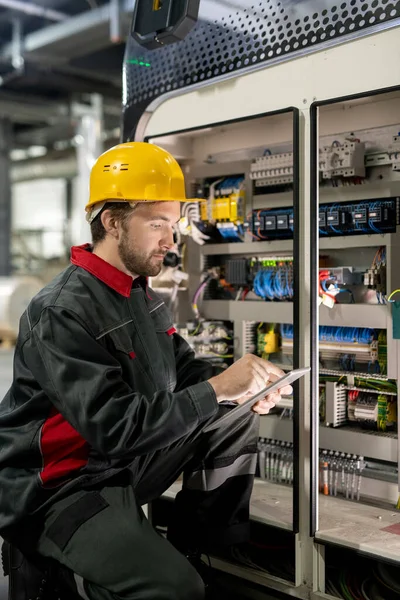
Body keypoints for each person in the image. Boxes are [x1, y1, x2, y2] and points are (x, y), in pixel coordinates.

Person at [0, 142, 292, 600]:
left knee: (234, 417)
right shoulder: (59, 310)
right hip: (62, 487)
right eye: (157, 224)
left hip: (120, 466)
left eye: (172, 226)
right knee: (173, 590)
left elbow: (186, 369)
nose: (169, 241)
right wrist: (218, 389)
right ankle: (70, 579)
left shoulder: (138, 294)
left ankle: (200, 551)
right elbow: (115, 427)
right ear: (112, 221)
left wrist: (242, 387)